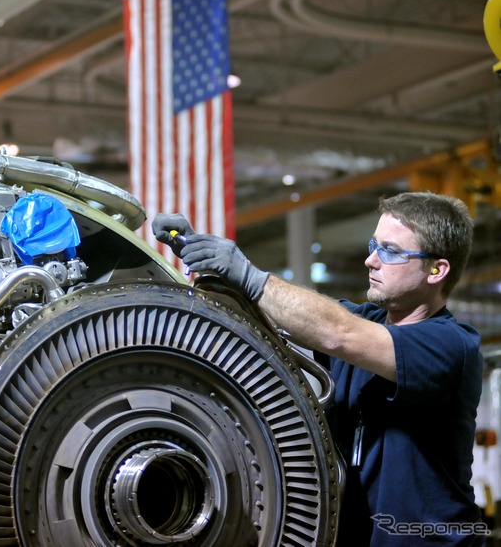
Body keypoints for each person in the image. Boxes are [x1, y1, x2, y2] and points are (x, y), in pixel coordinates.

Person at [152, 191, 484, 546]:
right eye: (374, 244)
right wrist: (208, 260)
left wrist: (246, 274)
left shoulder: (450, 346)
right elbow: (282, 318)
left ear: (437, 269)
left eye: (390, 251)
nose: (371, 260)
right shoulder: (367, 320)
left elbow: (337, 333)